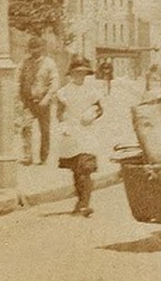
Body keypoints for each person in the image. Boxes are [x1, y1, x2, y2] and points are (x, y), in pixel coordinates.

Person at [56, 56, 104, 217]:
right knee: (77, 170)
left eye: (83, 73)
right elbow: (60, 113)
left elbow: (99, 108)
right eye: (77, 73)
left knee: (86, 168)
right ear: (71, 73)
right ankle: (80, 201)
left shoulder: (91, 90)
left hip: (88, 131)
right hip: (72, 132)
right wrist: (63, 126)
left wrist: (92, 114)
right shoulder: (64, 92)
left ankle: (84, 203)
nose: (80, 76)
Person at [16, 37, 60, 165]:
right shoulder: (24, 64)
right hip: (28, 102)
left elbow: (55, 83)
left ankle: (43, 157)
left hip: (43, 102)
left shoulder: (49, 63)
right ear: (29, 49)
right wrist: (19, 99)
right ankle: (27, 156)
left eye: (38, 48)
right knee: (26, 127)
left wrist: (47, 98)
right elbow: (18, 80)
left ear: (42, 48)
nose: (35, 51)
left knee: (44, 131)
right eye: (32, 48)